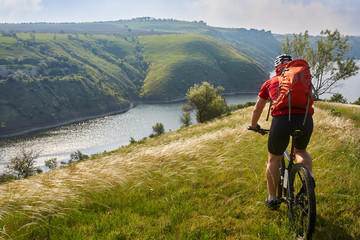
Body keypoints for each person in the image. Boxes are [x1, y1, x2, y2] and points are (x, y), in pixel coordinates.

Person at [250, 54, 314, 210]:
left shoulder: (270, 82)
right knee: (301, 151)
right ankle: (309, 182)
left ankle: (272, 199)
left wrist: (254, 125)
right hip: (305, 119)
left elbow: (258, 108)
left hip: (281, 121)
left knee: (274, 158)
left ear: (276, 68)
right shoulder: (302, 79)